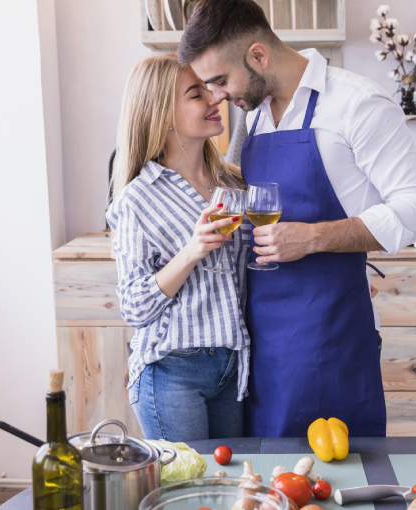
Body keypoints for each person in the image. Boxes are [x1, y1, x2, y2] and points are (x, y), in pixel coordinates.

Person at [178, 0, 416, 437]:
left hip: (330, 334)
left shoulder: (356, 103)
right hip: (262, 341)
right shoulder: (254, 117)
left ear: (259, 55)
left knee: (337, 482)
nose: (218, 95)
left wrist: (313, 238)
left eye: (221, 80)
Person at [106, 53, 251, 441]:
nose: (214, 98)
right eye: (195, 93)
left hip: (234, 368)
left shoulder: (237, 186)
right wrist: (191, 252)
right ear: (163, 116)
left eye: (210, 88)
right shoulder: (136, 200)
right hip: (172, 372)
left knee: (228, 488)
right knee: (186, 493)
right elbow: (135, 307)